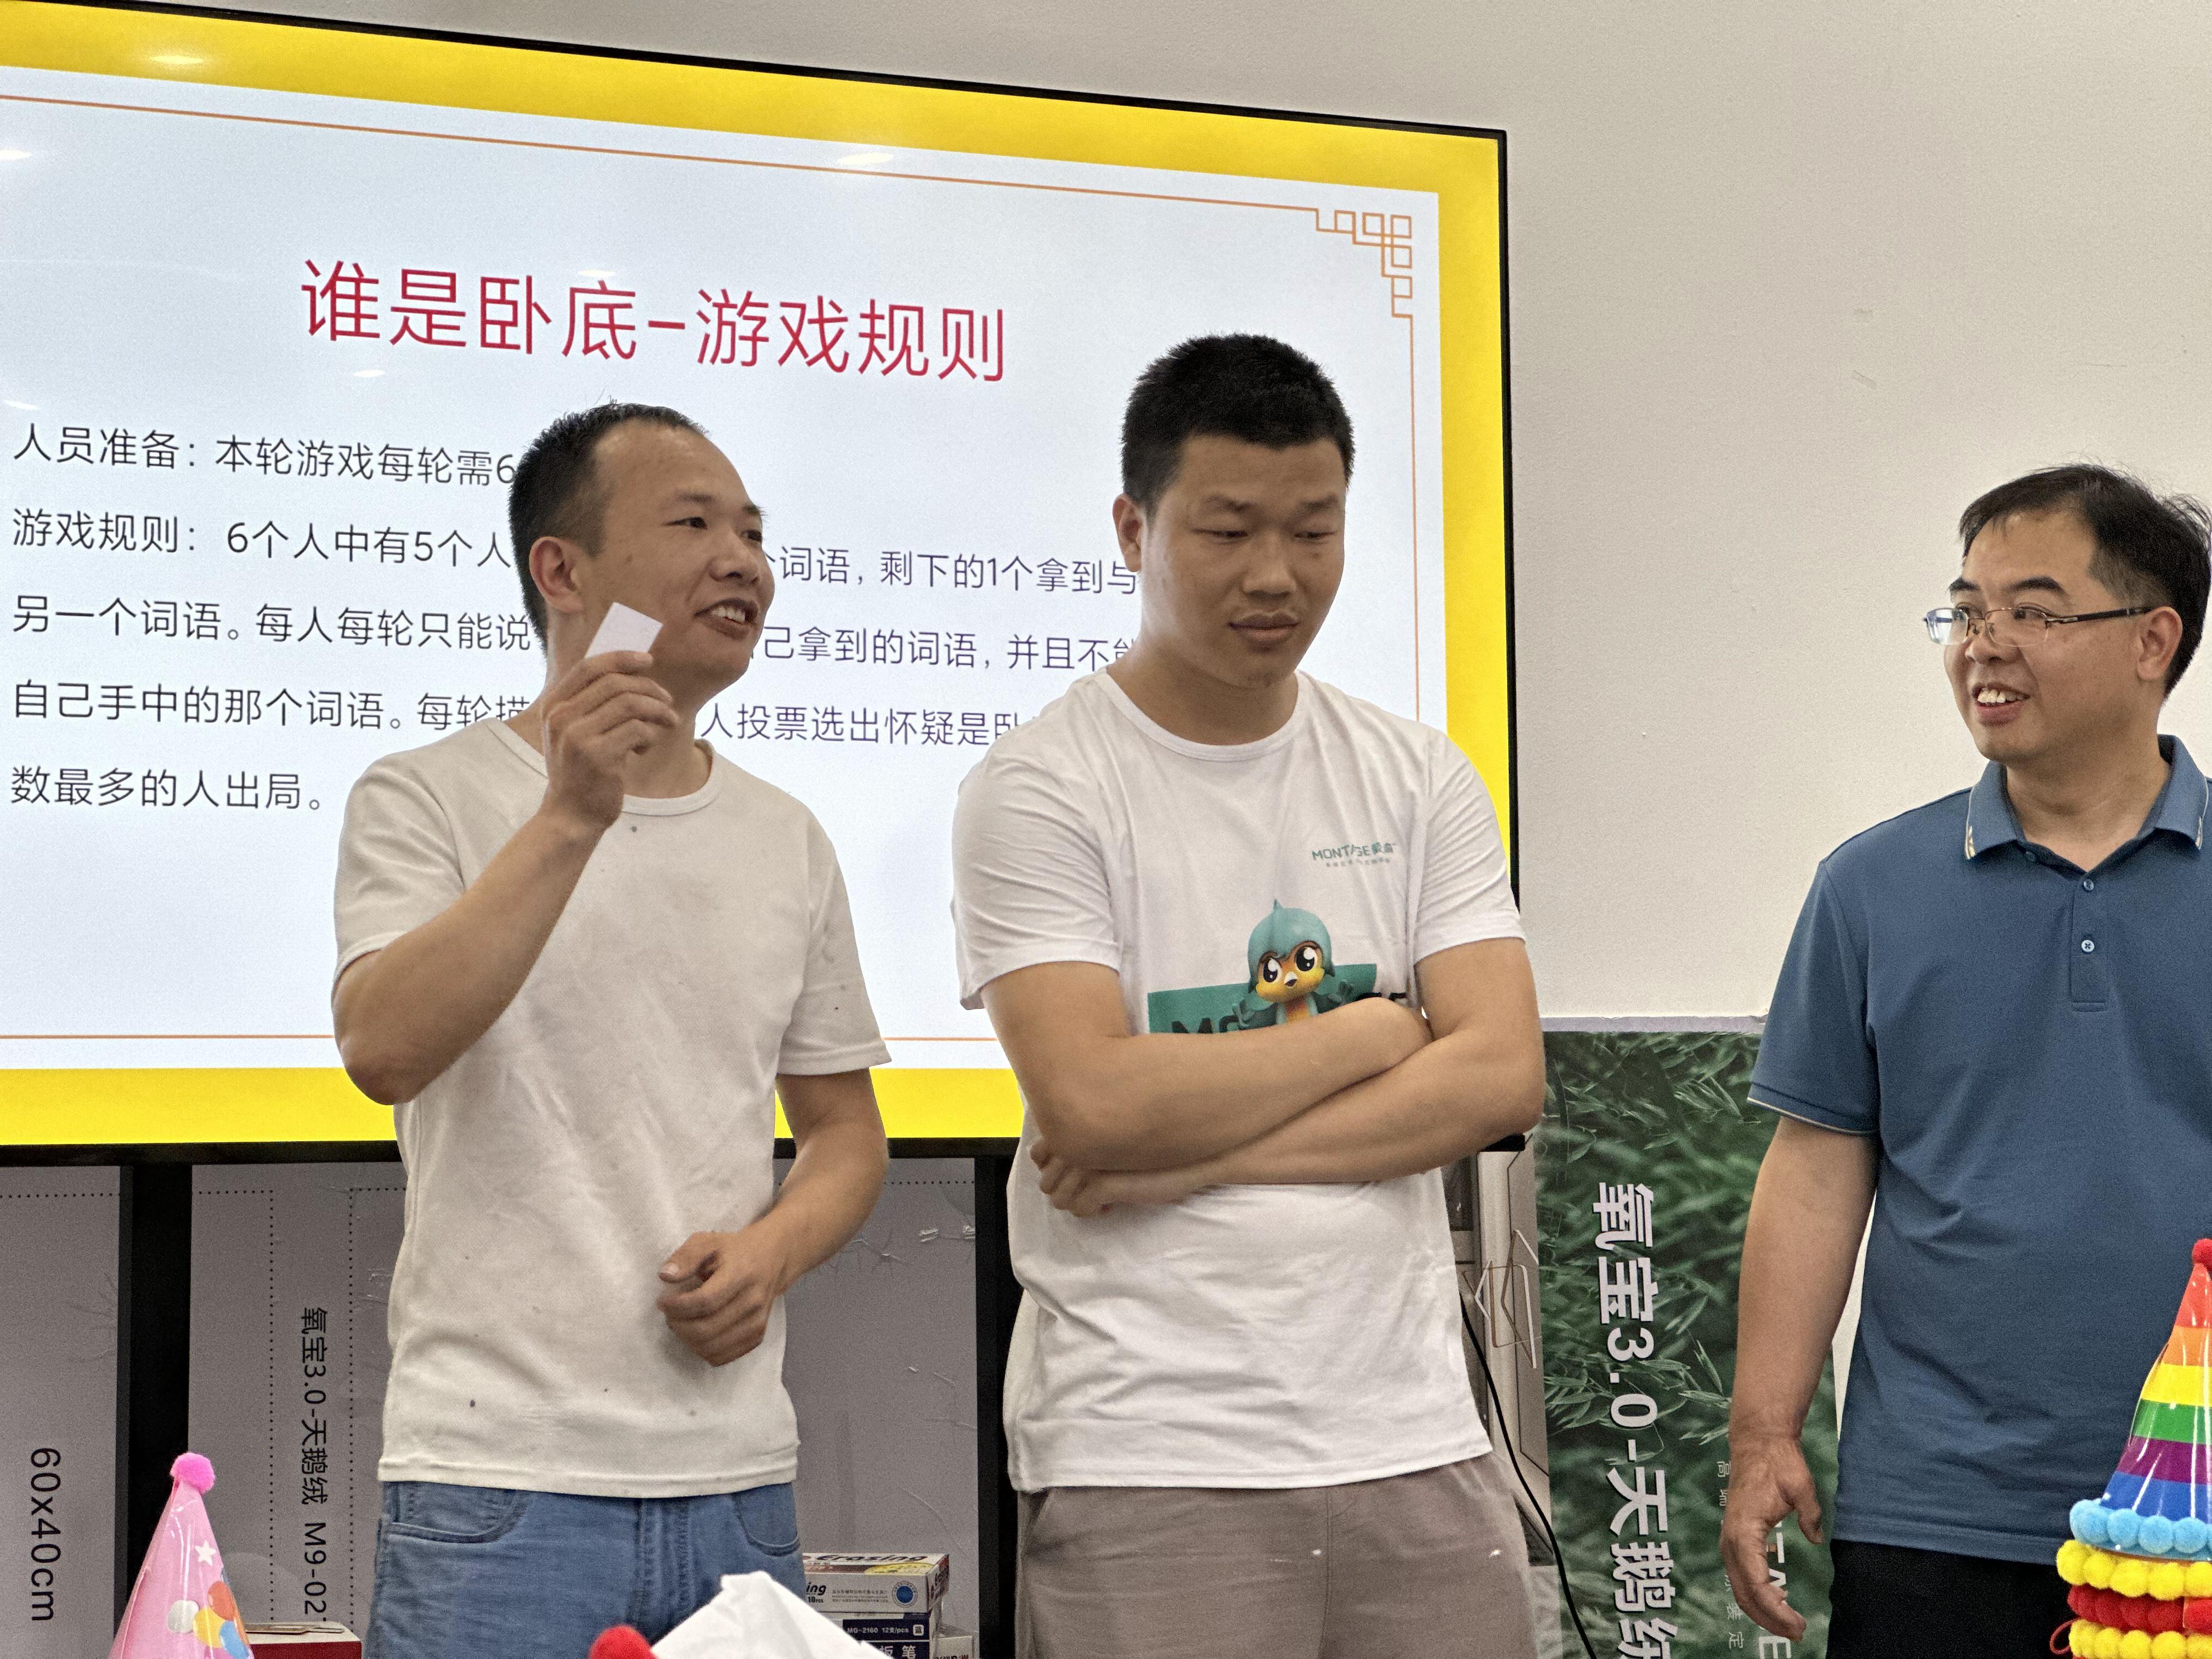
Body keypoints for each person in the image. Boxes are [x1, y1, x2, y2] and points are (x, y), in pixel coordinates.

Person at [950, 335, 1547, 1659]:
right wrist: (1377, 1031)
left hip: (1415, 1438)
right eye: (1227, 531)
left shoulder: (1415, 775)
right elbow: (1095, 1103)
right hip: (1149, 1448)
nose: (1276, 574)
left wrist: (1184, 1160)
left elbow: (1502, 1075)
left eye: (1314, 531)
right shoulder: (1042, 786)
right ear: (1134, 529)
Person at [333, 403, 891, 1659]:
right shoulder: (425, 795)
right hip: (497, 1487)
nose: (742, 561)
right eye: (694, 523)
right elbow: (382, 1047)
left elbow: (846, 1137)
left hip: (739, 1487)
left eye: (754, 532)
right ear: (563, 569)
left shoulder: (786, 836)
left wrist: (772, 1254)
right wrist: (571, 815)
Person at [1723, 465, 2212, 1655]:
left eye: (2032, 611)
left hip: (2196, 1508)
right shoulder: (1871, 887)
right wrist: (1763, 1435)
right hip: (1937, 1510)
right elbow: (1816, 1172)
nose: (1983, 646)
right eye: (1965, 610)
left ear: (2153, 641)